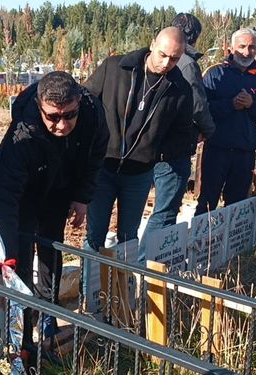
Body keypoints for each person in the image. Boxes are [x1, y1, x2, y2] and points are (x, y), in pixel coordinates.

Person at [0, 71, 108, 355]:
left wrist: (82, 198)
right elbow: (4, 199)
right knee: (23, 255)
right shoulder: (22, 134)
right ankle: (23, 328)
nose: (62, 125)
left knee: (51, 254)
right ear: (40, 106)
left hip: (60, 191)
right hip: (26, 196)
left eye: (69, 115)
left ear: (78, 102)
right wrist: (3, 262)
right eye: (53, 117)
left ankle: (48, 318)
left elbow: (96, 156)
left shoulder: (92, 115)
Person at [83, 27, 193, 262]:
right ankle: (89, 296)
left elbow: (183, 133)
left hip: (139, 174)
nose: (166, 63)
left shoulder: (180, 89)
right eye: (163, 54)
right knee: (94, 235)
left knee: (128, 239)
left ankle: (122, 294)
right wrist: (92, 142)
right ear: (153, 44)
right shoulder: (115, 68)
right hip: (103, 166)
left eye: (174, 59)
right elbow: (87, 101)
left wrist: (155, 151)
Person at [140, 14, 216, 249]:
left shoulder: (155, 58)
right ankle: (149, 265)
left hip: (149, 146)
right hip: (173, 149)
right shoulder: (186, 62)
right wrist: (208, 130)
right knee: (165, 213)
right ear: (193, 36)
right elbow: (197, 104)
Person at [195, 28, 256, 215]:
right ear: (232, 48)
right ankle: (200, 242)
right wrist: (230, 104)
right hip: (216, 149)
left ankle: (230, 244)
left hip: (244, 152)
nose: (247, 52)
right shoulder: (215, 74)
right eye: (242, 46)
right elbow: (203, 109)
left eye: (252, 47)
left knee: (237, 205)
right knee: (207, 201)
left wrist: (252, 104)